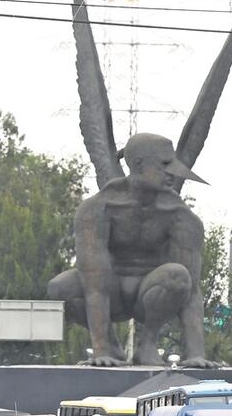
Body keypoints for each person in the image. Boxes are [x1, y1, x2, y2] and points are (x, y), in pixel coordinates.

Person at [48, 133, 217, 367]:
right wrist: (101, 349)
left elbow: (192, 290)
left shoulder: (180, 216)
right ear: (138, 164)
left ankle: (148, 344)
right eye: (165, 164)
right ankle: (112, 348)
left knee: (177, 276)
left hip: (151, 292)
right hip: (111, 291)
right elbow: (94, 280)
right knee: (61, 287)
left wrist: (196, 353)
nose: (173, 172)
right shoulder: (98, 208)